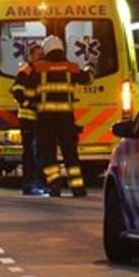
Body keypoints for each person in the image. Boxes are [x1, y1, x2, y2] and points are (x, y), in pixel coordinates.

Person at [28, 35, 95, 197]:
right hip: (66, 120)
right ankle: (78, 188)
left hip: (45, 120)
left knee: (48, 155)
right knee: (71, 155)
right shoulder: (71, 68)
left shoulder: (38, 69)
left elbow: (29, 93)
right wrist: (90, 65)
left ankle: (54, 186)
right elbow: (88, 79)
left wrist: (31, 107)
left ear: (46, 51)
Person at [10, 43, 48, 196]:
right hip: (28, 117)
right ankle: (29, 184)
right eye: (37, 55)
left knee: (38, 152)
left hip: (39, 118)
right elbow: (16, 90)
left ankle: (35, 183)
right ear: (31, 56)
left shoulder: (41, 70)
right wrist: (29, 104)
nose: (40, 57)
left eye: (41, 54)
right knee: (30, 154)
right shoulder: (26, 70)